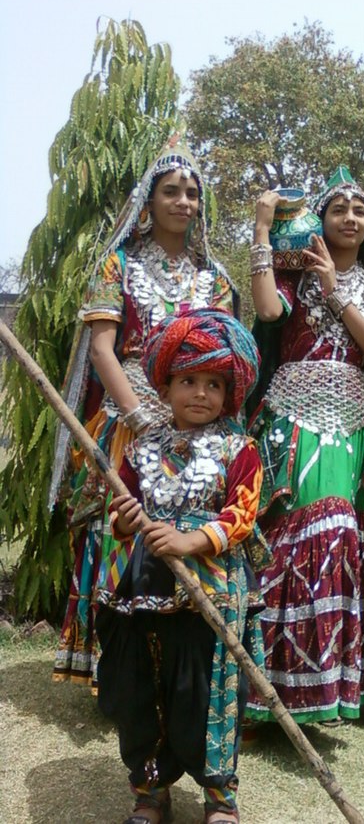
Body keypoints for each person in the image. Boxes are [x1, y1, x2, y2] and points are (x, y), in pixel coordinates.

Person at [52, 136, 237, 688]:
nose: (183, 201)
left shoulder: (216, 278)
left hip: (199, 421)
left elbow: (222, 356)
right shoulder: (118, 265)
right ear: (148, 201)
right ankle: (116, 665)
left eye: (192, 193)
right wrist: (140, 417)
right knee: (122, 529)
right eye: (170, 191)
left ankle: (180, 664)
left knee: (193, 526)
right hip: (126, 417)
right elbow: (103, 348)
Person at [96, 308, 263, 824]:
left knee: (207, 696)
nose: (200, 394)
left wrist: (191, 539)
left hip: (209, 596)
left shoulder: (242, 449)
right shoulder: (142, 448)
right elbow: (120, 513)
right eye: (188, 380)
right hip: (144, 590)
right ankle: (151, 794)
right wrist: (125, 520)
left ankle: (220, 801)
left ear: (230, 393)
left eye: (214, 384)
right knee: (145, 690)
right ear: (165, 384)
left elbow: (242, 514)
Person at [244, 167, 364, 724]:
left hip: (352, 427)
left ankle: (329, 692)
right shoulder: (294, 274)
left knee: (340, 539)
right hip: (293, 422)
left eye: (360, 211)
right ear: (322, 220)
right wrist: (263, 232)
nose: (350, 218)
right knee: (294, 537)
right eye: (339, 209)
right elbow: (264, 312)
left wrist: (337, 296)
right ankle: (268, 694)